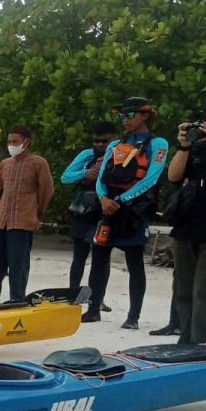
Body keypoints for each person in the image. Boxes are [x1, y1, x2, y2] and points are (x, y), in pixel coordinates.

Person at [81, 97, 169, 329]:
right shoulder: (114, 145)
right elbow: (101, 178)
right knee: (98, 260)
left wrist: (120, 200)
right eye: (121, 116)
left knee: (135, 264)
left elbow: (151, 178)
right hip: (108, 209)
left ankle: (133, 316)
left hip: (133, 211)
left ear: (145, 115)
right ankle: (93, 309)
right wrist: (103, 199)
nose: (125, 120)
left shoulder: (158, 144)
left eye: (130, 115)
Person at [164, 91, 206, 344]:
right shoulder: (201, 144)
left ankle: (201, 344)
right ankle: (187, 340)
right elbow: (174, 176)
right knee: (182, 288)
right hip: (187, 225)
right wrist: (184, 145)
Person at [0, 125, 54, 304]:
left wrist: (36, 213)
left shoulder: (39, 163)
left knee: (18, 264)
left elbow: (47, 191)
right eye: (9, 141)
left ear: (26, 142)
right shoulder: (5, 163)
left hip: (23, 221)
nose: (11, 145)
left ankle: (17, 298)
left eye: (14, 141)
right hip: (0, 221)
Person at [60, 121, 118, 297]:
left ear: (114, 139)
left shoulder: (120, 155)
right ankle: (72, 293)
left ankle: (97, 298)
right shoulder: (87, 155)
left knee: (101, 258)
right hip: (83, 209)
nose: (100, 144)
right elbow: (65, 177)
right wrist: (84, 173)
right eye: (96, 141)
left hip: (105, 209)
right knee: (79, 255)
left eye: (104, 141)